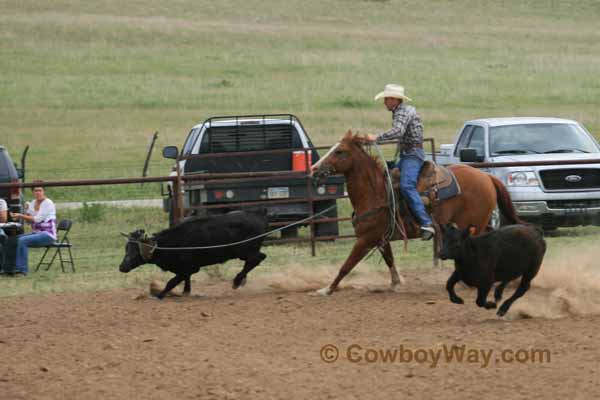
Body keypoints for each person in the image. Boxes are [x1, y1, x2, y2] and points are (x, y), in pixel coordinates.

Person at [366, 84, 435, 240]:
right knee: (388, 180)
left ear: (395, 99)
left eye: (387, 99)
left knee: (406, 185)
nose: (384, 102)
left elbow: (398, 131)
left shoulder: (402, 112)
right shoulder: (401, 111)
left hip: (412, 155)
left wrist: (377, 137)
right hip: (406, 155)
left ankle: (426, 222)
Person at [11, 184, 57, 276]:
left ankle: (22, 271)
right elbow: (29, 222)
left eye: (40, 190)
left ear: (44, 191)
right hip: (36, 233)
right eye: (36, 190)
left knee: (23, 240)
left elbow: (37, 219)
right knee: (14, 239)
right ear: (33, 192)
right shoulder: (32, 203)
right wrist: (26, 211)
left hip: (48, 235)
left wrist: (20, 215)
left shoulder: (48, 203)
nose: (38, 192)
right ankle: (10, 268)